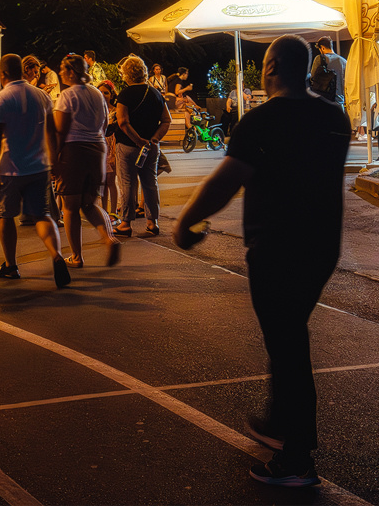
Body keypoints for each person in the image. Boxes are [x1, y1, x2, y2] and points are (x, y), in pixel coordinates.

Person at [173, 35, 350, 488]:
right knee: (288, 334)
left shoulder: (261, 121)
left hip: (277, 248)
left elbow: (224, 182)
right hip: (323, 246)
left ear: (270, 67)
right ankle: (277, 422)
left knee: (288, 345)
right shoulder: (334, 117)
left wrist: (185, 223)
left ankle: (297, 458)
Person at [0, 54, 68, 286]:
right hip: (39, 167)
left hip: (10, 167)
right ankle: (56, 254)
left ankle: (11, 265)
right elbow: (52, 132)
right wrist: (54, 162)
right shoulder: (42, 96)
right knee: (42, 215)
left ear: (2, 74)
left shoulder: (0, 99)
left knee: (6, 216)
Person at [48, 53, 120, 270]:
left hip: (74, 151)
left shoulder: (67, 95)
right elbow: (105, 124)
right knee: (89, 203)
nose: (60, 73)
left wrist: (53, 160)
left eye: (63, 68)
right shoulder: (97, 94)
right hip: (97, 148)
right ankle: (109, 239)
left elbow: (60, 131)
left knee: (69, 207)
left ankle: (77, 256)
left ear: (72, 72)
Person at [113, 55, 169, 238]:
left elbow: (122, 122)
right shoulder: (156, 93)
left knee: (128, 183)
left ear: (126, 74)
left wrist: (137, 140)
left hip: (128, 146)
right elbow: (166, 120)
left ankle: (125, 223)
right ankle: (153, 222)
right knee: (150, 183)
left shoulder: (125, 95)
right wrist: (154, 138)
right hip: (151, 147)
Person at [98, 80, 122, 221]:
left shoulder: (116, 110)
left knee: (111, 181)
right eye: (100, 92)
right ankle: (103, 211)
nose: (103, 95)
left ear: (111, 94)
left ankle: (113, 211)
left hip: (112, 147)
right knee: (102, 182)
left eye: (106, 92)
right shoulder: (95, 109)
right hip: (100, 147)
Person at [308, 39, 347, 107]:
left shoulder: (319, 58)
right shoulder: (344, 61)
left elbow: (313, 77)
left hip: (324, 101)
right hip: (339, 102)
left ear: (322, 48)